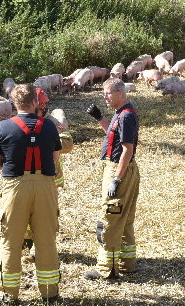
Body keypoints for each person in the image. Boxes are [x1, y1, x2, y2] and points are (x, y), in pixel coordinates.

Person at [0, 84, 62, 304]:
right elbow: (56, 157)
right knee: (46, 239)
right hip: (45, 187)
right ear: (35, 103)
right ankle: (50, 294)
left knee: (10, 240)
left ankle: (7, 294)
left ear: (14, 103)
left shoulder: (3, 127)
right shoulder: (49, 127)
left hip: (15, 187)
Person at [85, 78, 140, 280]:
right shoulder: (122, 113)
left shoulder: (126, 116)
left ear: (120, 93)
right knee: (124, 219)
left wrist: (116, 178)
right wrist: (99, 118)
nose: (104, 97)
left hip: (119, 169)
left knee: (111, 216)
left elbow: (127, 149)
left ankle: (107, 269)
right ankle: (127, 263)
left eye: (107, 93)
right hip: (123, 169)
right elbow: (113, 136)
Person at [22, 86, 74, 261]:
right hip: (25, 176)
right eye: (42, 104)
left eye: (45, 105)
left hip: (49, 178)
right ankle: (27, 241)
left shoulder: (53, 122)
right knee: (25, 212)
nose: (44, 108)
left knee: (44, 215)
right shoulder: (20, 121)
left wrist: (46, 142)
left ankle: (39, 248)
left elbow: (67, 144)